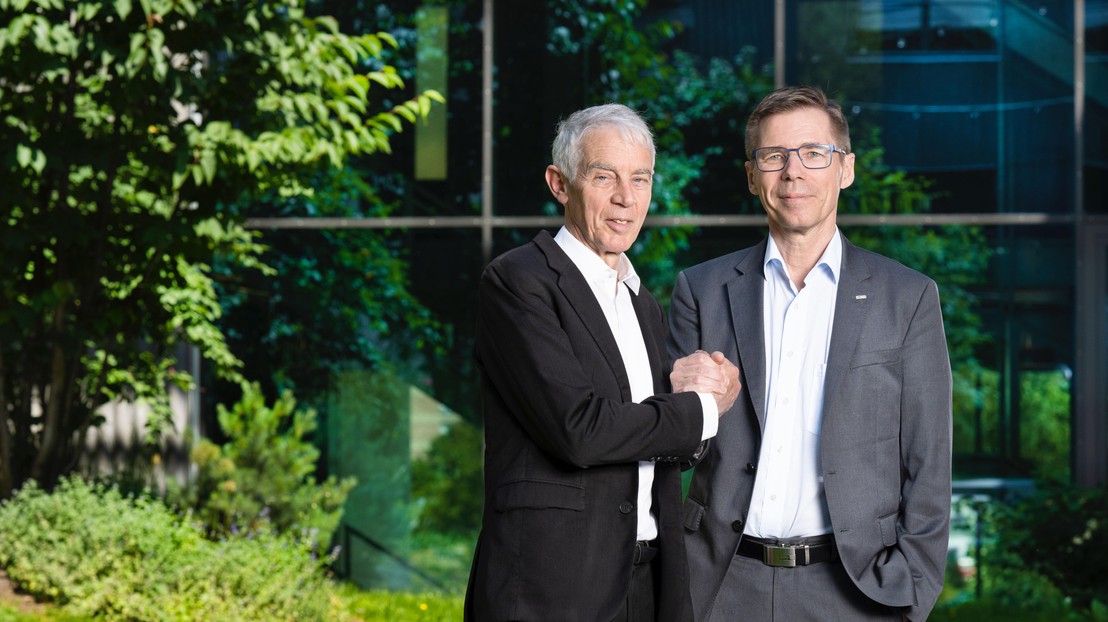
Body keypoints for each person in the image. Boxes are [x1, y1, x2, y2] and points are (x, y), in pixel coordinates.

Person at [668, 85, 953, 621]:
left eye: (813, 154)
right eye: (773, 157)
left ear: (844, 169)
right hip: (722, 586)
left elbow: (929, 462)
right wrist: (689, 408)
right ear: (753, 176)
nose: (792, 172)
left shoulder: (907, 298)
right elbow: (670, 452)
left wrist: (911, 592)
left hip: (857, 590)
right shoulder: (701, 291)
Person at [464, 103, 741, 622]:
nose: (625, 198)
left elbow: (648, 440)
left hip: (646, 581)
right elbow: (580, 429)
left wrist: (690, 391)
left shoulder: (641, 303)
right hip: (553, 589)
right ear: (560, 183)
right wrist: (704, 409)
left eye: (640, 179)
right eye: (604, 176)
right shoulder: (518, 282)